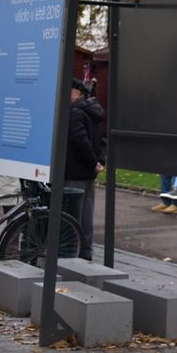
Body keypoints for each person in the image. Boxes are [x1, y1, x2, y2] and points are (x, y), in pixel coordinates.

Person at [64, 77, 106, 260]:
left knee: (73, 213)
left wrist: (92, 162)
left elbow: (79, 140)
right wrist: (98, 162)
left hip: (75, 170)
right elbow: (102, 139)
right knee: (86, 212)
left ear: (76, 93)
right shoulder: (92, 111)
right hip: (88, 171)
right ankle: (86, 251)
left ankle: (74, 252)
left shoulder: (74, 112)